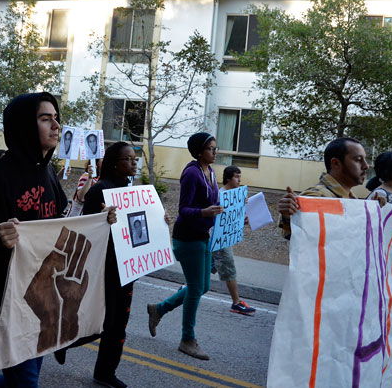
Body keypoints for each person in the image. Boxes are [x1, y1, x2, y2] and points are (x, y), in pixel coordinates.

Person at [0, 92, 116, 388]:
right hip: (8, 303)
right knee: (25, 382)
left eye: (56, 118)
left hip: (44, 301)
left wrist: (98, 218)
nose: (56, 125)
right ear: (23, 126)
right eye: (46, 119)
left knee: (21, 381)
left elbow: (60, 225)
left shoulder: (46, 172)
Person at [54, 141, 136, 388]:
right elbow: (86, 227)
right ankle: (64, 340)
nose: (133, 163)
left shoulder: (131, 189)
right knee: (104, 322)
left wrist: (157, 220)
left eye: (134, 158)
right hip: (105, 268)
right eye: (128, 159)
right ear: (114, 163)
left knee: (119, 325)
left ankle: (105, 373)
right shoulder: (100, 190)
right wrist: (104, 219)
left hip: (127, 266)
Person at [147, 132, 224, 361]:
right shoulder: (192, 173)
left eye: (215, 148)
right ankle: (187, 339)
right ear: (200, 151)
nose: (215, 152)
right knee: (195, 288)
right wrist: (203, 212)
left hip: (203, 236)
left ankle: (159, 309)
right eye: (211, 148)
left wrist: (233, 214)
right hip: (188, 238)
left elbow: (216, 204)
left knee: (203, 286)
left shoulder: (210, 171)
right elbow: (184, 209)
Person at [277, 137, 372, 238]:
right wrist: (288, 217)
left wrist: (375, 212)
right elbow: (297, 236)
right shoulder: (317, 197)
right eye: (358, 160)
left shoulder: (351, 198)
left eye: (365, 160)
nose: (366, 166)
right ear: (336, 163)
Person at [214, 166, 256, 315]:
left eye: (240, 176)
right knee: (229, 266)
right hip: (219, 239)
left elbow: (234, 219)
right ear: (228, 179)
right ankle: (236, 303)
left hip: (222, 239)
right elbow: (219, 219)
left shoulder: (236, 196)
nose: (240, 180)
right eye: (236, 177)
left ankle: (186, 288)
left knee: (206, 268)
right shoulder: (220, 195)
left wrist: (241, 220)